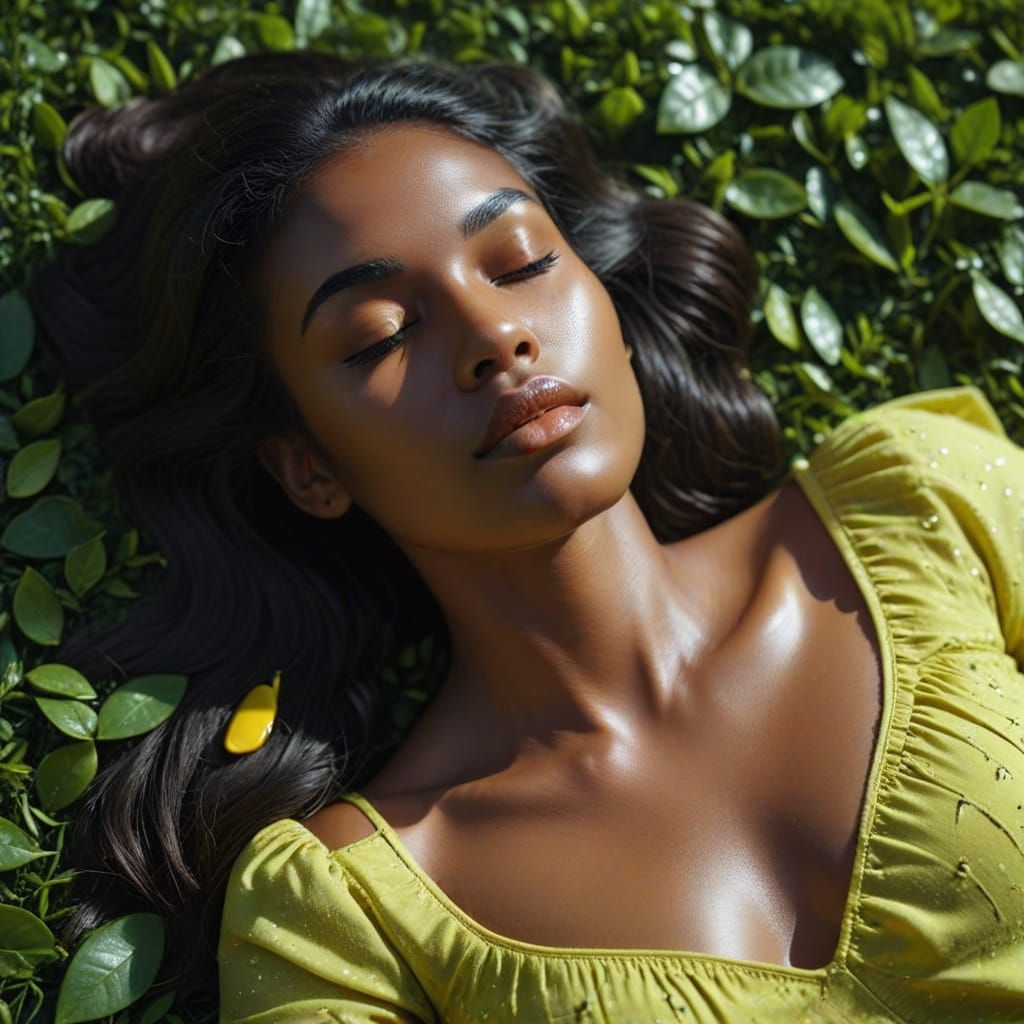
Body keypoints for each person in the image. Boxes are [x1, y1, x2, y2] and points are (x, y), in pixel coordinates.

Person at [28, 51, 1023, 1023]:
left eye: (520, 263)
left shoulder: (921, 503)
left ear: (605, 300)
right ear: (310, 467)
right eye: (380, 334)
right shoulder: (349, 923)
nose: (495, 334)